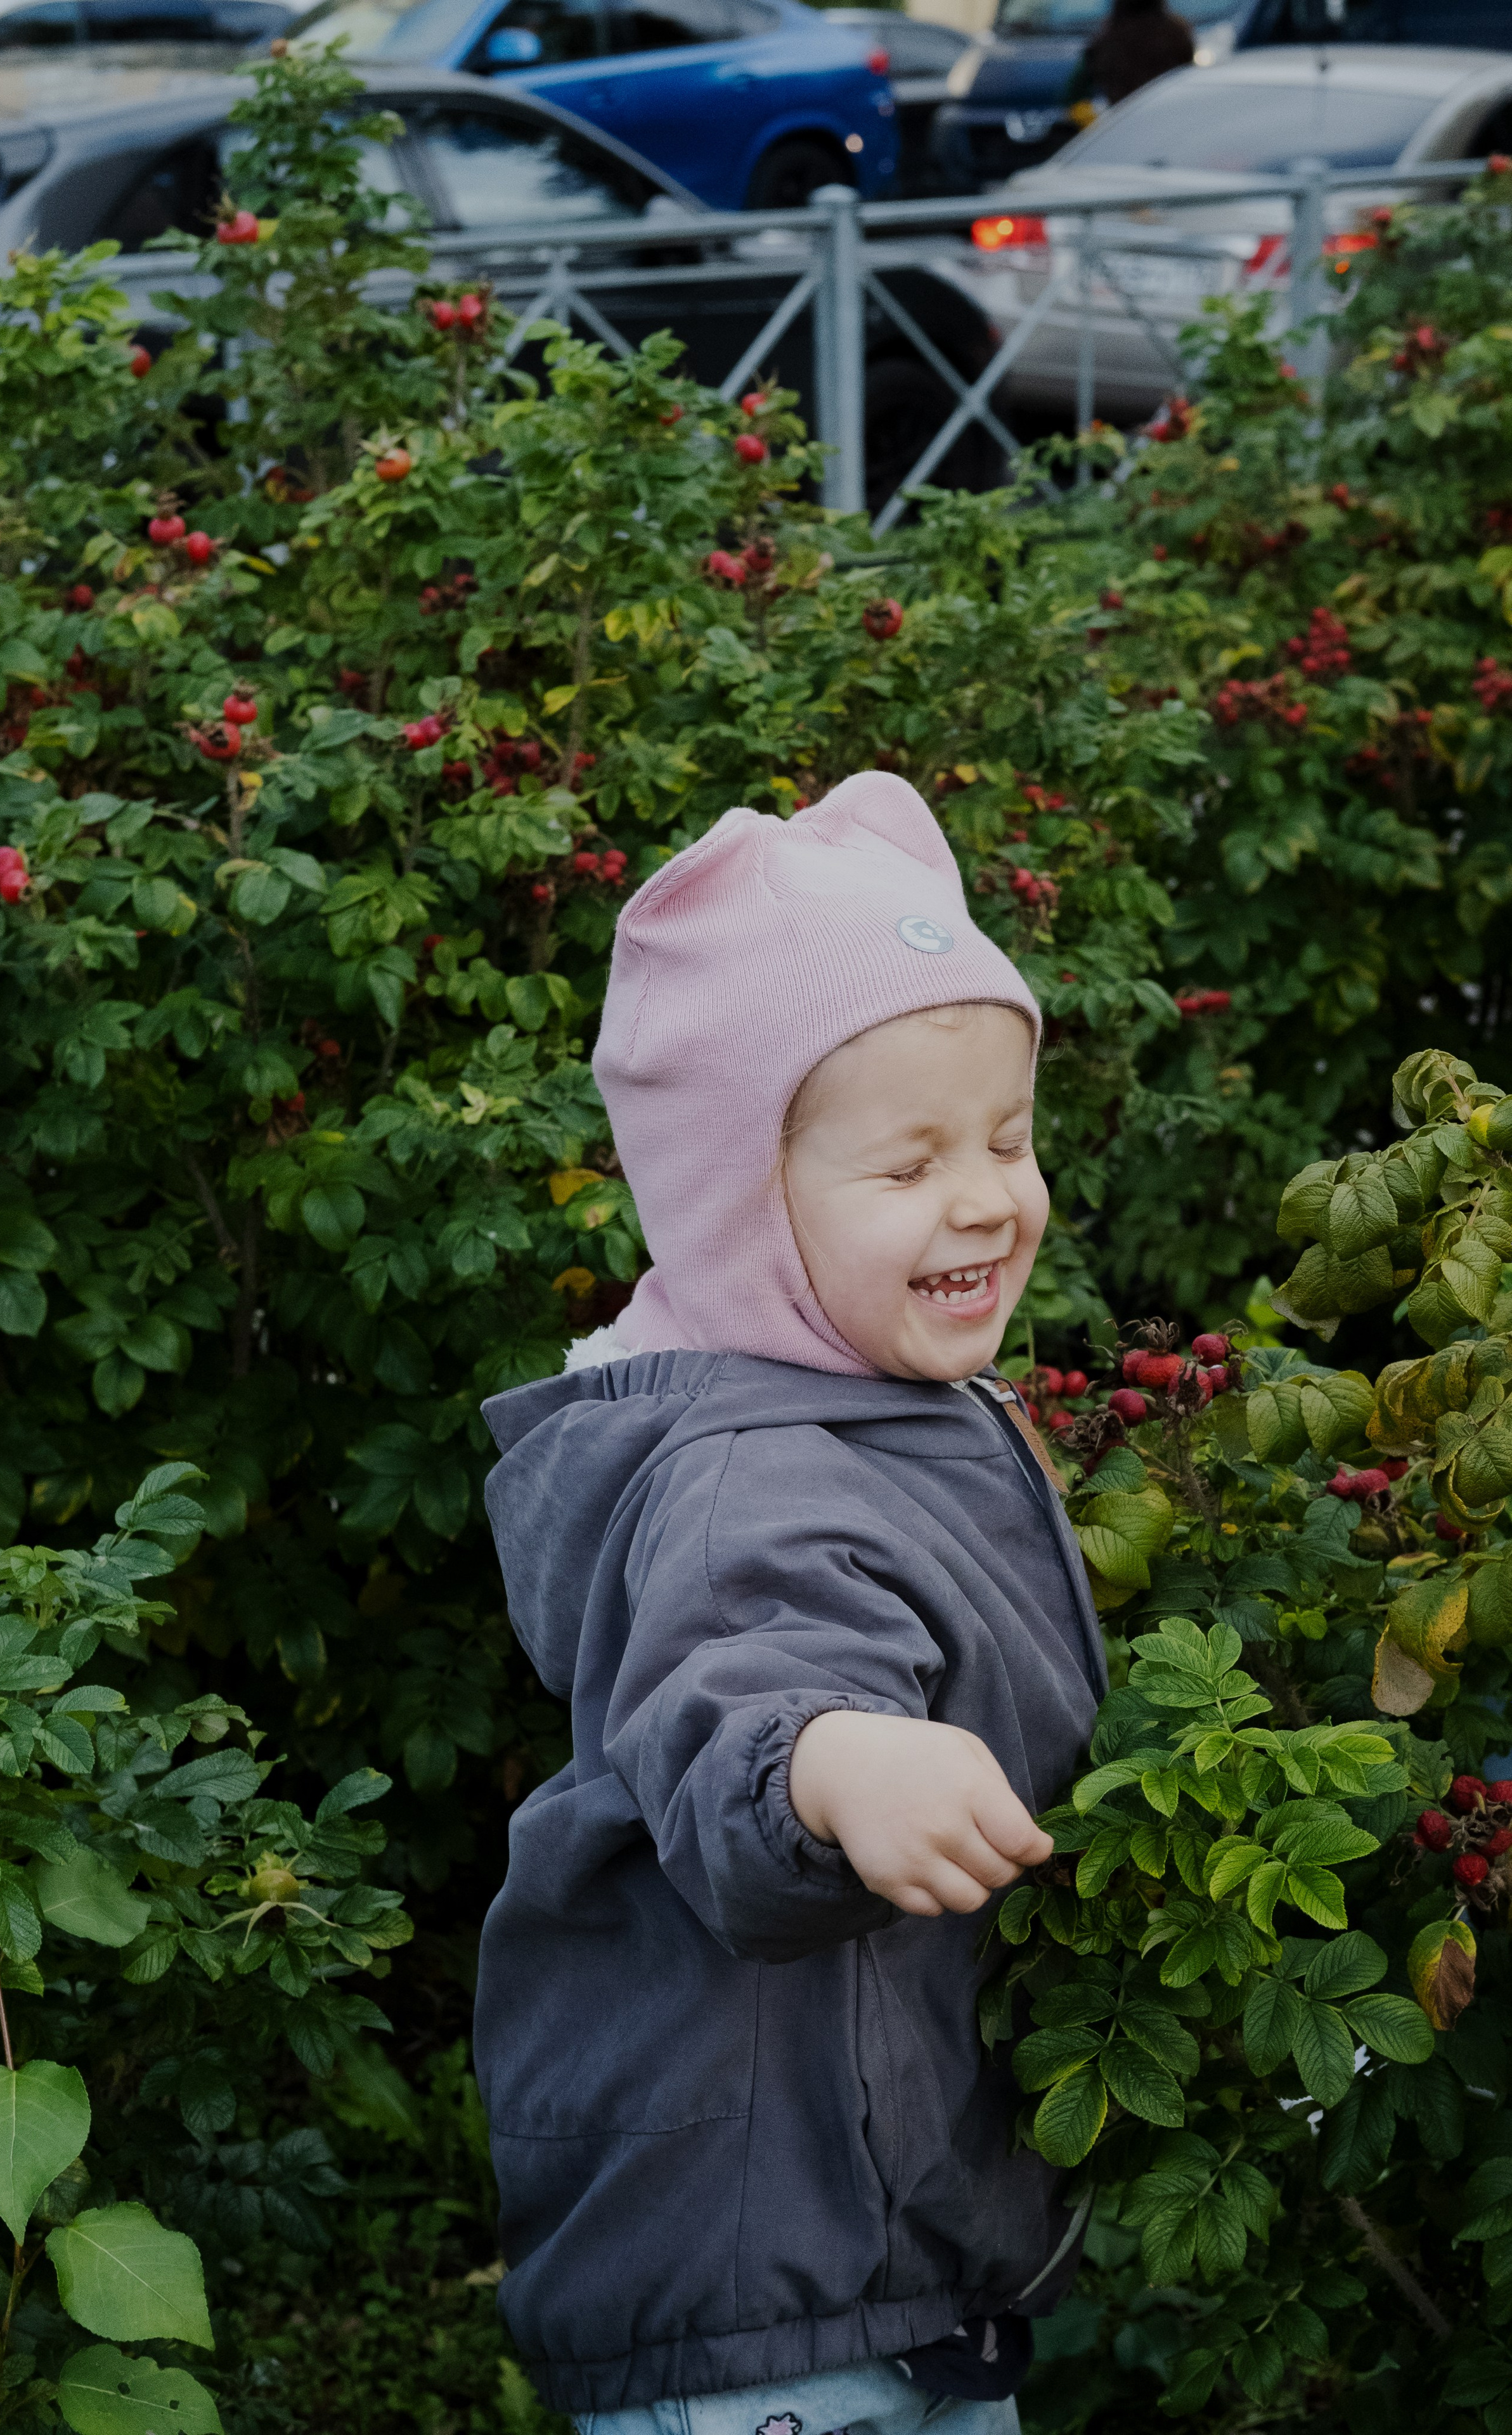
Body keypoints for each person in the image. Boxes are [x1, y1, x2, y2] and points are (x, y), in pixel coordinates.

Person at [474, 772, 1106, 2435]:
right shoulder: (745, 1474)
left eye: (1008, 1138)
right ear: (744, 1205)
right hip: (767, 2290)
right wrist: (829, 1761)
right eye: (907, 1164)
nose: (986, 1196)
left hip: (880, 2244)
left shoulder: (880, 1402)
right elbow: (742, 1683)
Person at [1069, 0, 1194, 110]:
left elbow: (1075, 91)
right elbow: (1190, 78)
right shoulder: (1176, 33)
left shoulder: (1107, 38)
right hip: (1168, 114)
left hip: (1125, 119)